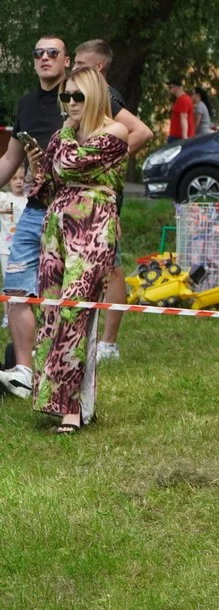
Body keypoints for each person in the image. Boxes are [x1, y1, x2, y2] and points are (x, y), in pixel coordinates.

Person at [25, 66, 128, 432]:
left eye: (77, 96)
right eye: (65, 97)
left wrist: (60, 145)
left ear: (94, 96)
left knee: (76, 311)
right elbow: (48, 186)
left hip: (94, 226)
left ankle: (73, 410)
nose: (69, 103)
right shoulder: (61, 135)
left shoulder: (114, 132)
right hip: (57, 227)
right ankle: (61, 402)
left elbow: (69, 162)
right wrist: (38, 168)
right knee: (51, 311)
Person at [0, 36, 74, 399]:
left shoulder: (80, 96)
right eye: (38, 54)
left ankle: (60, 372)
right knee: (15, 287)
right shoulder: (27, 103)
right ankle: (24, 372)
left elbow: (132, 134)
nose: (44, 58)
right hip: (34, 210)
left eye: (52, 53)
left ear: (67, 60)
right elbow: (9, 162)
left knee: (61, 295)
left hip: (73, 211)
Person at [73, 39, 155, 362]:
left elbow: (143, 132)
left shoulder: (106, 95)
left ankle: (109, 343)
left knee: (113, 267)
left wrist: (107, 161)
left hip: (103, 196)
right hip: (81, 196)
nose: (73, 67)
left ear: (97, 67)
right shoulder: (85, 95)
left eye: (79, 63)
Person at [0, 167, 26, 329]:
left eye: (21, 178)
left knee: (23, 285)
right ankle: (7, 317)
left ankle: (22, 315)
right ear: (9, 180)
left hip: (24, 250)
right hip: (5, 249)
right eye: (14, 178)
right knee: (7, 284)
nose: (18, 181)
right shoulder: (3, 198)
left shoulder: (29, 200)